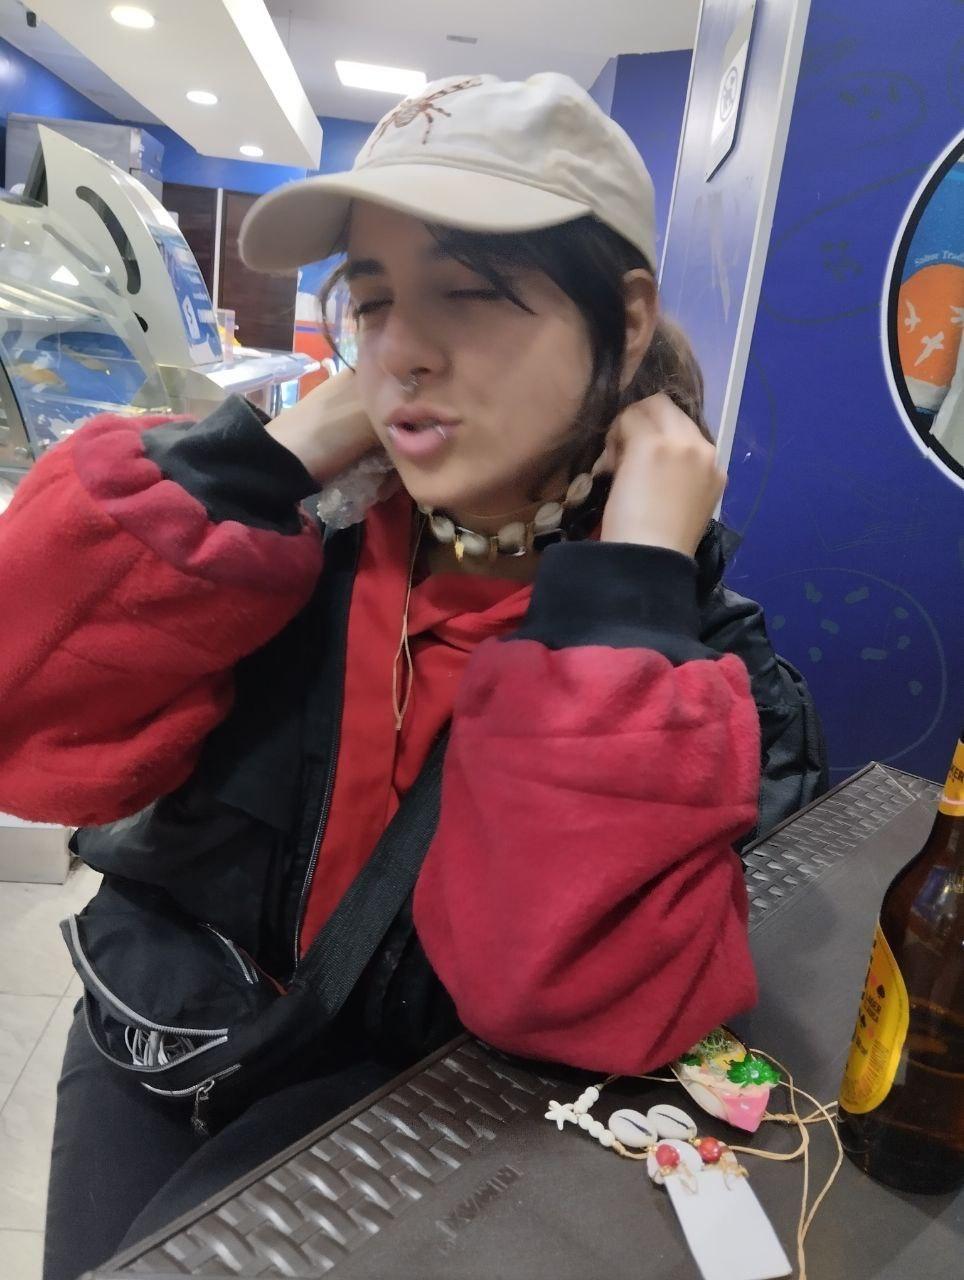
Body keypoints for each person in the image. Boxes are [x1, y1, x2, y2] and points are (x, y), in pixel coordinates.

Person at [0, 74, 826, 1279]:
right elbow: (27, 700)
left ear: (624, 319)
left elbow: (567, 993)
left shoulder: (690, 671)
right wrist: (268, 457)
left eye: (469, 294)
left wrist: (631, 590)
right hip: (162, 1018)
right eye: (375, 301)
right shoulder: (288, 544)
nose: (404, 352)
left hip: (413, 1101)